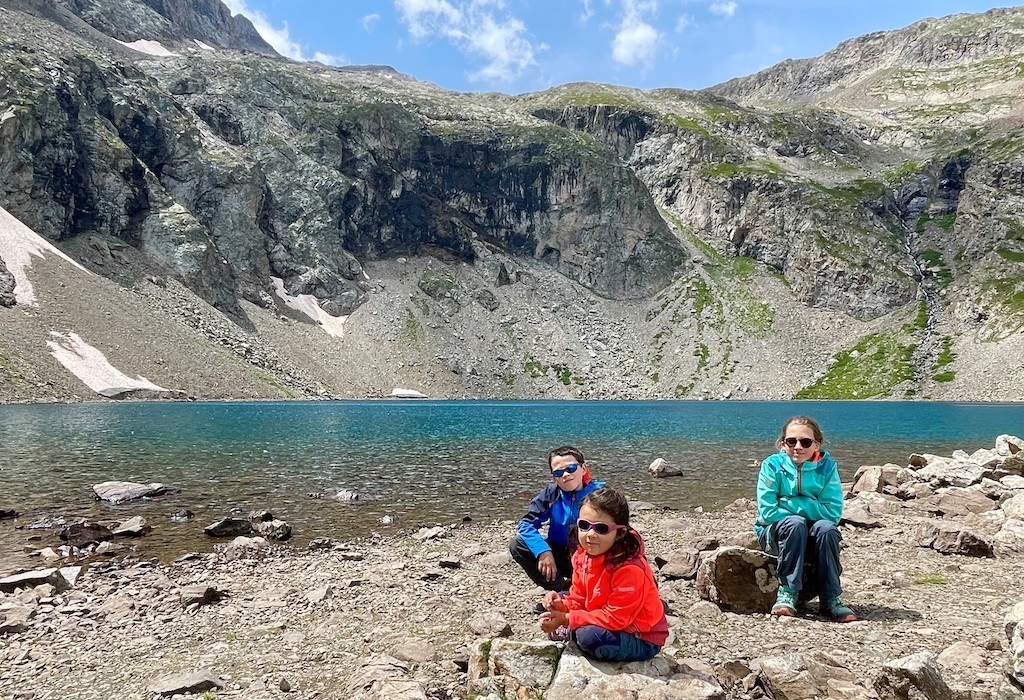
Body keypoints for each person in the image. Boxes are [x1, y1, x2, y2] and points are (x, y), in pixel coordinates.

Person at [538, 486, 669, 662]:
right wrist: (561, 605)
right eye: (584, 526)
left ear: (620, 532)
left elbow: (617, 618)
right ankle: (570, 628)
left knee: (588, 638)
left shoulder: (629, 569)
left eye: (601, 528)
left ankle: (572, 632)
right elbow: (578, 597)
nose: (590, 534)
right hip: (604, 615)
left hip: (641, 636)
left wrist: (567, 618)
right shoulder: (582, 556)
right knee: (560, 598)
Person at [755, 415, 857, 622]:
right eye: (791, 441)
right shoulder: (772, 466)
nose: (798, 447)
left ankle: (831, 598)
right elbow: (767, 513)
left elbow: (832, 512)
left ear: (816, 444)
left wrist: (788, 503)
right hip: (778, 535)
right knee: (795, 523)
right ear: (783, 443)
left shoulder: (827, 468)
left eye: (805, 442)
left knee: (827, 529)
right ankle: (788, 592)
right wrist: (810, 506)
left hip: (813, 536)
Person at [509, 446, 605, 592]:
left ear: (584, 469)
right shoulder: (551, 493)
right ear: (554, 477)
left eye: (571, 468)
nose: (565, 475)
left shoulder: (600, 494)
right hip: (561, 555)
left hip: (594, 554)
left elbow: (619, 529)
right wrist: (543, 551)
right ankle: (563, 590)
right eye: (559, 472)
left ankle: (590, 588)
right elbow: (526, 524)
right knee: (518, 544)